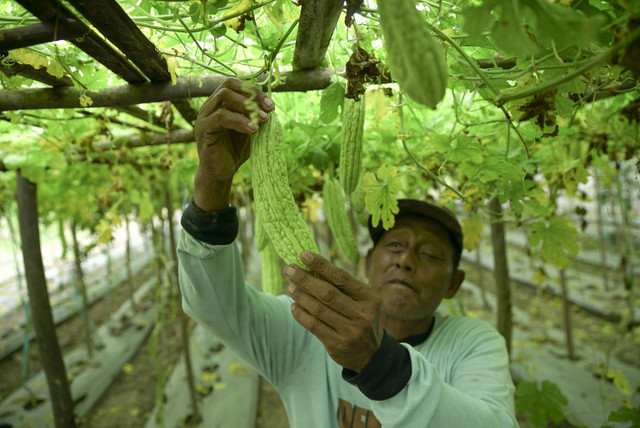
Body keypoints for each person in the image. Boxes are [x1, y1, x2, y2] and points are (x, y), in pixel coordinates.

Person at [177, 77, 519, 427]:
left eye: (430, 255)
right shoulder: (304, 329)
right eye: (395, 246)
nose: (405, 260)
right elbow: (212, 308)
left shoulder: (472, 344)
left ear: (454, 283)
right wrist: (212, 185)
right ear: (369, 262)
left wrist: (380, 363)